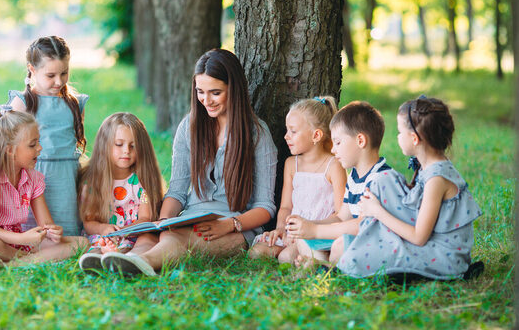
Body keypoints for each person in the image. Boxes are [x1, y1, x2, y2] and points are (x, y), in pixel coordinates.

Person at [99, 48, 277, 276]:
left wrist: (229, 224)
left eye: (215, 92)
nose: (206, 100)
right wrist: (164, 221)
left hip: (235, 227)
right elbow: (177, 191)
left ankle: (137, 262)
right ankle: (128, 259)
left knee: (178, 239)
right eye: (200, 92)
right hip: (191, 218)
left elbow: (265, 206)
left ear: (235, 89)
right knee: (160, 233)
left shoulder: (257, 134)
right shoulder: (189, 127)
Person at [338, 96, 483, 279]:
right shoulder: (429, 167)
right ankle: (369, 240)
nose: (398, 137)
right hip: (428, 243)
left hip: (442, 257)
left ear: (414, 138)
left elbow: (418, 238)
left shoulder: (436, 179)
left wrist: (377, 211)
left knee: (367, 257)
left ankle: (358, 257)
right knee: (384, 179)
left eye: (400, 132)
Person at [285, 101, 406, 270]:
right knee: (304, 238)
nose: (333, 150)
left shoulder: (380, 179)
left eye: (338, 143)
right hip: (356, 240)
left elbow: (363, 226)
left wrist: (316, 231)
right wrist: (309, 225)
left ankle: (323, 267)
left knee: (339, 245)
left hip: (380, 244)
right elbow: (342, 217)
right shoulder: (355, 177)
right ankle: (321, 264)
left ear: (360, 140)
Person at [0, 108, 87, 265]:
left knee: (82, 243)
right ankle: (27, 260)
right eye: (32, 145)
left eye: (39, 142)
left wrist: (53, 232)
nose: (40, 148)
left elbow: (46, 225)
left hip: (19, 243)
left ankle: (14, 263)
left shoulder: (33, 179)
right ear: (10, 150)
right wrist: (21, 238)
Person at [248, 96, 346, 263]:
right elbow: (286, 207)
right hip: (291, 231)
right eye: (287, 130)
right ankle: (296, 253)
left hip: (317, 231)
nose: (286, 136)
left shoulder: (334, 165)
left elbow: (340, 214)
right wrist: (280, 229)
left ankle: (309, 256)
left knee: (286, 258)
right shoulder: (291, 164)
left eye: (293, 131)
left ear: (316, 135)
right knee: (255, 253)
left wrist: (309, 227)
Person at [8, 36, 88, 236]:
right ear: (32, 69)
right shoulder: (23, 102)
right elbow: (10, 148)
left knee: (65, 232)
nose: (59, 81)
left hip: (67, 176)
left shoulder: (74, 104)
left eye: (64, 73)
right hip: (34, 172)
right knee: (35, 230)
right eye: (50, 75)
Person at [78, 113, 165, 270]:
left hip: (134, 234)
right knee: (100, 243)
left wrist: (125, 232)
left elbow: (145, 218)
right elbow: (88, 222)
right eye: (119, 144)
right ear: (105, 145)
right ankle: (98, 257)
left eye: (133, 146)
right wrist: (103, 229)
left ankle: (126, 259)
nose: (126, 151)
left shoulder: (142, 182)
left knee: (145, 240)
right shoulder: (92, 182)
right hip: (104, 235)